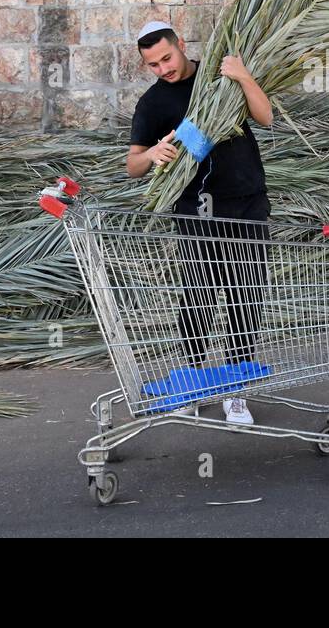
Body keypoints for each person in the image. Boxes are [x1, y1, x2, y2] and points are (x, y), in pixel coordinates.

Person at [126, 21, 274, 423]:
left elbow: (266, 117)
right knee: (200, 295)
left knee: (245, 293)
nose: (163, 69)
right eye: (153, 65)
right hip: (194, 208)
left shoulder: (217, 77)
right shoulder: (153, 104)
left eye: (167, 58)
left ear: (181, 47)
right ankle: (191, 381)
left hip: (246, 201)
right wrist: (154, 152)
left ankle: (235, 388)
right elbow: (133, 165)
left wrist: (244, 77)